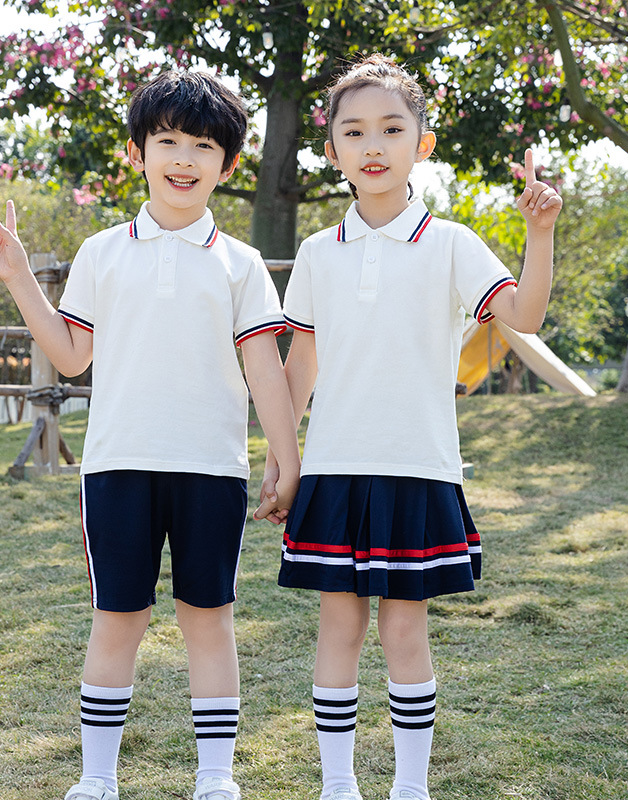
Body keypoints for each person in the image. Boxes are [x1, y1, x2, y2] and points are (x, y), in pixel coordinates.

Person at [0, 70, 301, 800]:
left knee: (208, 621)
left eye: (203, 145)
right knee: (116, 618)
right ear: (137, 153)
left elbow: (265, 372)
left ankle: (215, 777)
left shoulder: (242, 266)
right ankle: (97, 778)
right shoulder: (101, 252)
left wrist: (289, 459)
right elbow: (70, 355)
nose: (184, 158)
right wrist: (20, 275)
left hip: (213, 470)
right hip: (117, 466)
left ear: (228, 165)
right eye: (168, 142)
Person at [261, 54, 562, 800]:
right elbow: (299, 371)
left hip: (420, 468)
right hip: (333, 469)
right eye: (354, 131)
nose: (373, 145)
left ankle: (410, 788)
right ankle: (337, 786)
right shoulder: (315, 254)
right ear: (331, 151)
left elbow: (523, 316)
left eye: (392, 129)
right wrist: (281, 460)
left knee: (403, 632)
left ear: (420, 144)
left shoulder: (453, 243)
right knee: (338, 630)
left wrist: (542, 232)